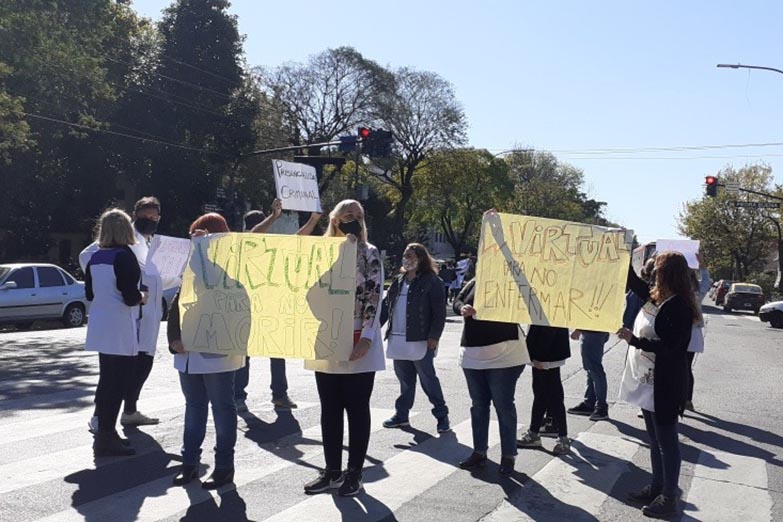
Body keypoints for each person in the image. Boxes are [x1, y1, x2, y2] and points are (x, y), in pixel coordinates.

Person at [302, 200, 384, 497]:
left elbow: (375, 296)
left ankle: (355, 472)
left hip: (356, 337)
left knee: (357, 408)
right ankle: (332, 470)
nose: (355, 220)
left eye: (359, 216)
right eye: (349, 215)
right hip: (326, 337)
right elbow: (296, 263)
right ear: (335, 219)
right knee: (330, 408)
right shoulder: (320, 252)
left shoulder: (369, 253)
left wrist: (367, 337)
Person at [81, 197, 176, 433]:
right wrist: (112, 288)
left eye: (154, 217)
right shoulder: (123, 241)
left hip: (148, 316)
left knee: (142, 366)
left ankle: (130, 411)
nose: (150, 220)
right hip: (128, 316)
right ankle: (100, 418)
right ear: (135, 215)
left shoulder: (152, 243)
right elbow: (89, 257)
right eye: (145, 216)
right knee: (115, 374)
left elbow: (156, 278)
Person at [167, 213, 246, 489]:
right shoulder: (190, 266)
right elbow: (178, 303)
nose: (196, 241)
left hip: (218, 352)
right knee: (194, 407)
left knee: (223, 409)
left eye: (203, 236)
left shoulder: (232, 267)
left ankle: (224, 467)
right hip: (188, 352)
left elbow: (232, 297)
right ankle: (189, 464)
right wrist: (174, 337)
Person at [618, 251, 699, 518]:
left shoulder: (679, 307)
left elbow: (671, 347)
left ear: (668, 274)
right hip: (649, 382)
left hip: (665, 384)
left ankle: (669, 497)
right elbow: (634, 282)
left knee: (667, 442)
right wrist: (620, 251)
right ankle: (657, 487)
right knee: (654, 440)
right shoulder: (658, 298)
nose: (653, 273)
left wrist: (634, 340)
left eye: (658, 270)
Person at [84, 208, 147, 457]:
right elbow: (130, 296)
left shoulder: (96, 256)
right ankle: (108, 436)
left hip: (100, 324)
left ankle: (104, 431)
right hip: (120, 325)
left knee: (106, 380)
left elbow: (90, 294)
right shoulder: (125, 255)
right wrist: (143, 297)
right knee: (119, 383)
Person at [453, 278, 529, 476]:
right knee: (478, 405)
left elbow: (528, 303)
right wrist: (463, 307)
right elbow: (457, 301)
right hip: (472, 354)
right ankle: (479, 452)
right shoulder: (473, 281)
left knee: (503, 405)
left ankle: (508, 456)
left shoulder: (513, 279)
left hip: (505, 353)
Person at [232, 201, 297, 413]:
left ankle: (279, 394)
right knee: (245, 354)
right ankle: (238, 395)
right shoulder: (243, 244)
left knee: (276, 353)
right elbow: (254, 235)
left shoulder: (271, 248)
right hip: (247, 308)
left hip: (270, 307)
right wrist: (274, 216)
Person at [380, 243, 449, 433]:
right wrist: (372, 330)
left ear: (420, 258)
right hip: (398, 338)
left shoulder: (432, 281)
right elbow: (387, 307)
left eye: (410, 256)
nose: (407, 260)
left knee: (428, 380)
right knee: (405, 381)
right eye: (405, 256)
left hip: (421, 339)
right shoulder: (399, 280)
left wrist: (434, 337)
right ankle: (401, 415)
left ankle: (442, 415)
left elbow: (439, 313)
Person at [517, 325, 571, 455]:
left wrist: (536, 356)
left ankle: (562, 437)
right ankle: (534, 432)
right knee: (541, 394)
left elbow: (549, 326)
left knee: (553, 396)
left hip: (546, 353)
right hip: (545, 351)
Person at [567, 329, 611, 421]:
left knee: (594, 369)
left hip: (593, 331)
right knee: (591, 368)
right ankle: (590, 402)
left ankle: (601, 407)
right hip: (593, 331)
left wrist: (579, 328)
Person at [685, 253, 711, 411]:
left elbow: (706, 282)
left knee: (683, 366)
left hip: (689, 332)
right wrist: (702, 265)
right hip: (692, 334)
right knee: (686, 367)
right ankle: (686, 399)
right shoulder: (697, 292)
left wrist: (702, 265)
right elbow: (706, 281)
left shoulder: (695, 293)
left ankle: (685, 399)